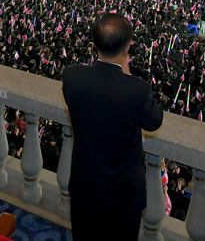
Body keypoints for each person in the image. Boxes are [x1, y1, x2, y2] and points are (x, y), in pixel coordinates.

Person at [62, 13, 164, 241]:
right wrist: (126, 74)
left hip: (85, 183)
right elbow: (154, 120)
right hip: (123, 192)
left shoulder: (72, 77)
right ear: (127, 47)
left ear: (94, 43)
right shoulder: (137, 90)